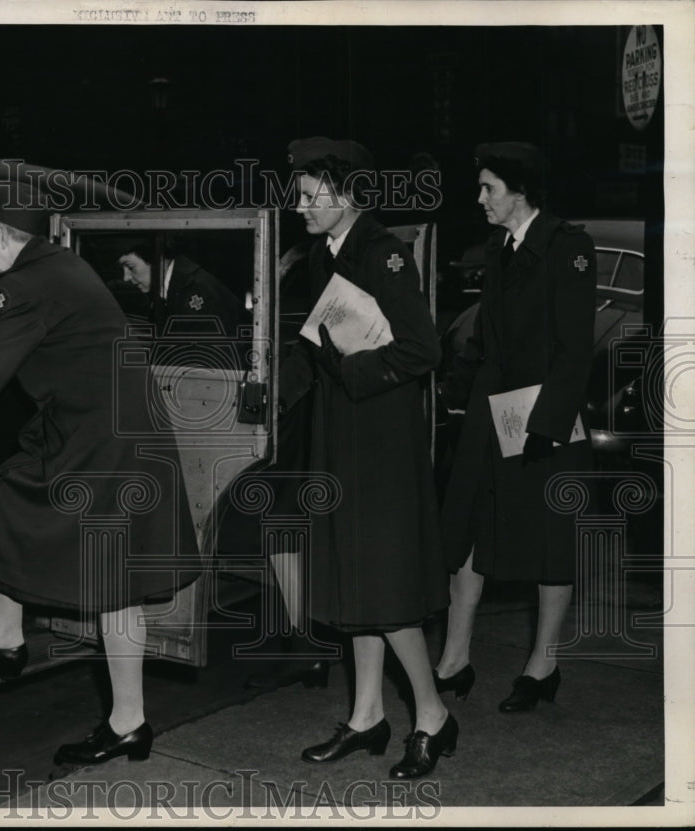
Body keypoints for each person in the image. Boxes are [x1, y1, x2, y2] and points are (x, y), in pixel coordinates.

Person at [0, 179, 201, 766]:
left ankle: (128, 723)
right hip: (103, 429)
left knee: (113, 581)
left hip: (106, 443)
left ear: (6, 237)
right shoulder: (55, 265)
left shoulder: (26, 283)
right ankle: (6, 637)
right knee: (4, 498)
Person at [279, 136, 455, 779]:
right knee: (354, 580)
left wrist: (351, 371)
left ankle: (432, 713)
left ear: (346, 192)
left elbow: (423, 351)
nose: (298, 204)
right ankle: (366, 716)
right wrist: (275, 398)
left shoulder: (382, 256)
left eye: (308, 193)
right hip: (341, 436)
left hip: (378, 442)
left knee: (382, 588)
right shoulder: (329, 254)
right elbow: (312, 343)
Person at [435, 142, 597, 712]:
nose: (479, 198)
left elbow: (576, 349)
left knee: (551, 541)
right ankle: (454, 659)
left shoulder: (567, 246)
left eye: (489, 188)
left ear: (520, 190)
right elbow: (483, 339)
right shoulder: (497, 246)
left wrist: (544, 423)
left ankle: (542, 662)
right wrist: (451, 390)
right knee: (469, 531)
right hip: (494, 409)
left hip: (545, 416)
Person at [116, 237, 245, 339]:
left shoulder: (197, 290)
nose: (126, 278)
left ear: (157, 259)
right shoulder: (170, 288)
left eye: (131, 267)